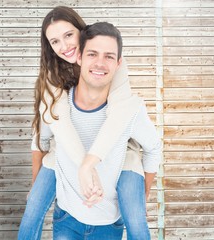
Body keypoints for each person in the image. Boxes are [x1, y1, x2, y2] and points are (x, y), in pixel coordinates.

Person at [18, 6, 161, 240]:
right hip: (64, 145)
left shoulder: (109, 61)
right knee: (33, 207)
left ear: (82, 32)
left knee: (136, 218)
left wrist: (89, 165)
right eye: (55, 41)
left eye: (68, 35)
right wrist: (79, 168)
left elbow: (120, 116)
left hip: (120, 146)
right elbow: (52, 128)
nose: (64, 47)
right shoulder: (52, 76)